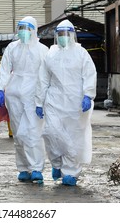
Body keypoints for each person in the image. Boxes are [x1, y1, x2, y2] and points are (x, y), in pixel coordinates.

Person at [35, 19, 97, 186]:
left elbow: (89, 74)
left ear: (72, 35)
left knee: (73, 137)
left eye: (66, 33)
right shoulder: (51, 53)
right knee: (50, 133)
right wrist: (39, 102)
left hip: (75, 102)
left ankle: (70, 172)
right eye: (60, 34)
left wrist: (87, 95)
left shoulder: (81, 53)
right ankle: (56, 162)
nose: (63, 37)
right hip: (54, 100)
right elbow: (43, 79)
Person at [0, 16, 48, 182]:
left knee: (33, 132)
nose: (24, 32)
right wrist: (0, 89)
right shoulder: (12, 47)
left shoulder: (43, 50)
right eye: (21, 28)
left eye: (27, 28)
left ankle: (36, 168)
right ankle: (23, 168)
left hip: (34, 94)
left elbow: (47, 76)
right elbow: (4, 69)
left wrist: (43, 100)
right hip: (14, 93)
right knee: (18, 133)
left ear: (34, 30)